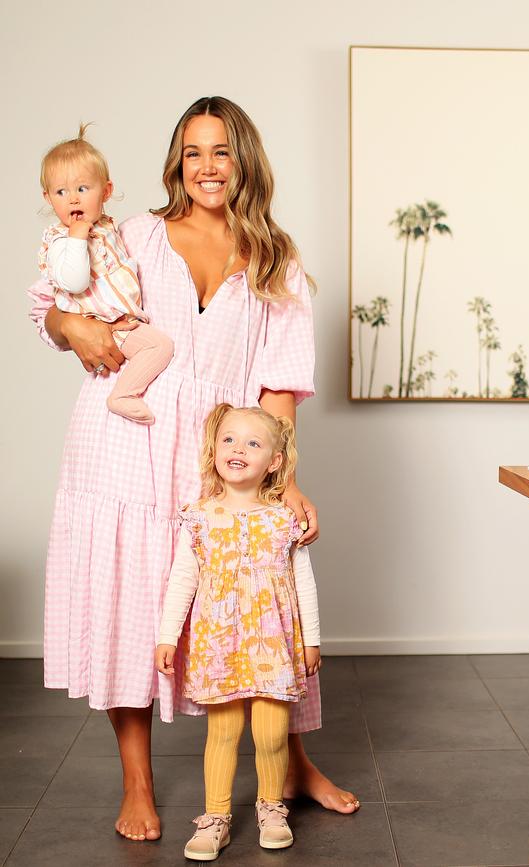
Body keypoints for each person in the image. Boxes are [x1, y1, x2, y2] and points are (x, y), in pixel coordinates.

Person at [27, 95, 359, 844]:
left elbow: (279, 380)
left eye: (222, 151)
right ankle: (138, 782)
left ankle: (294, 762)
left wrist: (285, 476)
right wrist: (71, 323)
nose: (207, 167)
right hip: (124, 437)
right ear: (177, 160)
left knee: (259, 601)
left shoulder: (274, 256)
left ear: (245, 159)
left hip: (222, 452)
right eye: (193, 151)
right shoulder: (133, 234)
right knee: (135, 603)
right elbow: (51, 296)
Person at [155, 404, 321, 859]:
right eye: (229, 440)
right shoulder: (200, 516)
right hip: (219, 645)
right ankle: (216, 818)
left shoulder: (283, 519)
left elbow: (302, 580)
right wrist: (167, 635)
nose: (238, 449)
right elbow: (182, 581)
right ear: (213, 451)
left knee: (270, 735)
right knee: (222, 735)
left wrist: (313, 639)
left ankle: (271, 808)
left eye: (253, 443)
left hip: (272, 646)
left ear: (274, 462)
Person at [39, 125, 174, 424]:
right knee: (160, 347)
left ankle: (125, 392)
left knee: (157, 346)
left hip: (122, 321)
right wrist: (77, 237)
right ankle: (123, 395)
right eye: (61, 192)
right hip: (106, 326)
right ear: (48, 198)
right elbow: (74, 282)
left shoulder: (109, 230)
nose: (73, 199)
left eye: (82, 189)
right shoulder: (62, 241)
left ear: (106, 191)